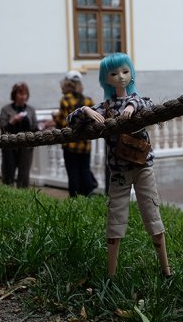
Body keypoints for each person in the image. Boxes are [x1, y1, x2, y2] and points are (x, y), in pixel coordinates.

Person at [67, 53, 171, 278]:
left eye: (125, 71)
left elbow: (148, 103)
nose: (121, 77)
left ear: (131, 72)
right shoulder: (105, 107)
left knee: (152, 212)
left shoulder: (139, 102)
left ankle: (166, 269)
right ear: (106, 79)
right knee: (116, 216)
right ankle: (111, 274)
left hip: (142, 166)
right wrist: (85, 110)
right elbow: (70, 121)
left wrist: (132, 106)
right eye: (114, 74)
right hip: (119, 169)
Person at [52, 70, 99, 197]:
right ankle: (88, 198)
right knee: (85, 170)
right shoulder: (88, 101)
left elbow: (64, 123)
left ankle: (75, 200)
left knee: (73, 174)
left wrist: (55, 117)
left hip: (71, 145)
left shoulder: (65, 100)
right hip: (85, 145)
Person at [0, 82, 38, 188]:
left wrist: (43, 127)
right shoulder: (6, 110)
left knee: (24, 176)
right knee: (8, 175)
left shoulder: (31, 110)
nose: (23, 97)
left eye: (25, 94)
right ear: (15, 95)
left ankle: (23, 199)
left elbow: (35, 128)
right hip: (10, 147)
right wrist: (12, 121)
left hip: (26, 148)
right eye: (20, 94)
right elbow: (3, 127)